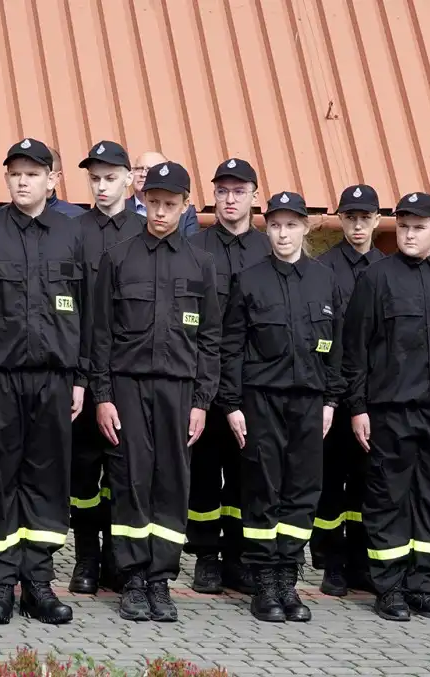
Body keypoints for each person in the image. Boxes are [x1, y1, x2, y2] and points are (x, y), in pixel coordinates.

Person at [0, 137, 90, 625]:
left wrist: (80, 378)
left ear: (53, 180)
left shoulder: (73, 236)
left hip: (55, 379)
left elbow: (88, 312)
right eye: (15, 174)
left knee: (47, 481)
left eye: (33, 173)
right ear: (5, 179)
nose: (24, 181)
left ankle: (38, 582)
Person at [92, 161, 220, 622]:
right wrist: (102, 395)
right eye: (154, 203)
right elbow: (100, 335)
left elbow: (210, 340)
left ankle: (160, 580)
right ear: (142, 200)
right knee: (130, 480)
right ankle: (131, 579)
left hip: (179, 391)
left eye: (171, 204)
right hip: (126, 387)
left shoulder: (200, 264)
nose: (161, 212)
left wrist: (202, 402)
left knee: (171, 484)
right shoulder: (119, 257)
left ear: (186, 205)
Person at [342, 192, 430, 622]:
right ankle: (390, 588)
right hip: (390, 410)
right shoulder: (376, 279)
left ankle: (421, 585)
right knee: (388, 499)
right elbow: (355, 349)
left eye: (419, 227)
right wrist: (358, 406)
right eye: (403, 227)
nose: (410, 234)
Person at [219, 191, 343, 623]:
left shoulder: (324, 279)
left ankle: (288, 581)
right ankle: (264, 585)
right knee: (263, 491)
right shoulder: (249, 280)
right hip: (261, 401)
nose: (283, 233)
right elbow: (231, 346)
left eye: (291, 225)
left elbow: (336, 348)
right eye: (275, 225)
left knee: (302, 492)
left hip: (309, 402)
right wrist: (232, 404)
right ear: (266, 228)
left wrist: (331, 399)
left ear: (305, 227)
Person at [185, 158, 270, 595]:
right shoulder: (195, 247)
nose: (230, 199)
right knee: (204, 469)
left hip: (255, 383)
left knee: (246, 472)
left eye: (239, 191)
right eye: (222, 191)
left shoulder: (267, 250)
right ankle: (205, 557)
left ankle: (239, 556)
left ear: (255, 196)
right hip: (204, 378)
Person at [68, 140, 145, 595]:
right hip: (83, 366)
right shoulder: (73, 231)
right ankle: (85, 558)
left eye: (110, 178)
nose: (101, 186)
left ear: (129, 179)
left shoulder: (145, 230)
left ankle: (120, 558)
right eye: (94, 178)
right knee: (82, 473)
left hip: (129, 370)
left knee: (125, 472)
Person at [313, 184, 384, 596]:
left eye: (365, 217)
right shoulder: (324, 268)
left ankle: (361, 561)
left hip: (374, 396)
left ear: (377, 220)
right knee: (328, 481)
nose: (358, 225)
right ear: (341, 220)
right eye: (350, 217)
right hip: (333, 394)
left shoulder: (387, 269)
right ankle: (329, 561)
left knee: (367, 481)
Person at [128, 151, 199, 236]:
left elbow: (192, 244)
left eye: (150, 170)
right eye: (139, 168)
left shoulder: (187, 212)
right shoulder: (120, 208)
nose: (143, 174)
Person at [46, 147, 87, 218]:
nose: (23, 181)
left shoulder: (78, 217)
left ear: (55, 178)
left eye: (32, 174)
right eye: (19, 174)